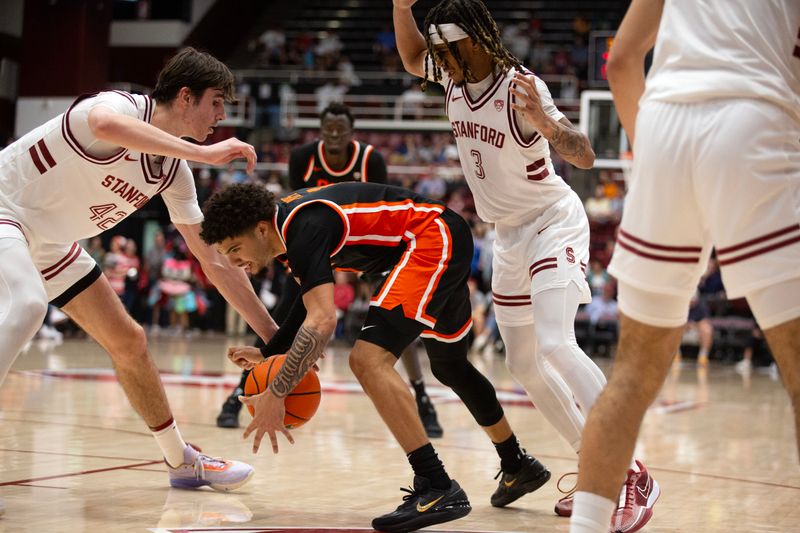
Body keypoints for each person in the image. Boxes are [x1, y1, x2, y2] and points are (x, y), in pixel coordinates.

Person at [392, 0, 648, 517]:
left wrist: (549, 127)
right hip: (507, 236)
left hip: (553, 221)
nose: (438, 58)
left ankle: (628, 472)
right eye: (439, 50)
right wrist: (401, 7)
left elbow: (584, 155)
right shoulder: (450, 73)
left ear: (476, 42)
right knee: (523, 363)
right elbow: (410, 56)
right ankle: (593, 467)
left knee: (555, 343)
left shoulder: (520, 87)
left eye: (449, 48)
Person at [0, 47, 280, 503]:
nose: (222, 115)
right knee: (29, 304)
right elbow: (105, 127)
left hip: (50, 243)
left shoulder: (173, 171)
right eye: (216, 102)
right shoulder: (119, 106)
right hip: (5, 209)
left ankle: (181, 461)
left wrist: (273, 335)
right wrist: (203, 153)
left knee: (130, 342)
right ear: (185, 97)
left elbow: (213, 260)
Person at [201, 182, 551, 533]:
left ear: (260, 229)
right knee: (450, 365)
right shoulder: (288, 232)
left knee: (367, 360)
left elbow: (322, 320)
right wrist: (269, 351)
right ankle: (517, 464)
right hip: (437, 236)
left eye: (235, 249)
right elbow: (306, 303)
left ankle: (437, 485)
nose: (232, 262)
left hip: (430, 238)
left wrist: (277, 392)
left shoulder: (303, 226)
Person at [570, 1, 800, 532]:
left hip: (665, 127)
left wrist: (650, 162)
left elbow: (622, 60)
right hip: (754, 113)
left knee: (630, 375)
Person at [216, 103, 444, 439]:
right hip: (312, 241)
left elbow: (382, 208)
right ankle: (243, 391)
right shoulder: (303, 157)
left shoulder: (370, 160)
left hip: (367, 243)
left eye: (341, 129)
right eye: (328, 129)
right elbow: (290, 213)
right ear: (320, 132)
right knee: (284, 311)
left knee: (392, 316)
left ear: (352, 134)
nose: (334, 135)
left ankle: (422, 397)